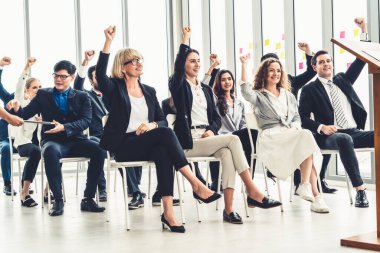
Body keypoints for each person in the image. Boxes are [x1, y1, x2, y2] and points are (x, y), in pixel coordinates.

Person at [96, 25, 220, 233]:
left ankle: (169, 213)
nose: (138, 63)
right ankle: (196, 184)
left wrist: (151, 124)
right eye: (133, 61)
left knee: (163, 152)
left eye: (140, 60)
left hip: (147, 141)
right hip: (124, 146)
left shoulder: (149, 91)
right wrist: (108, 42)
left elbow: (162, 121)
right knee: (165, 135)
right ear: (122, 66)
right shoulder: (114, 88)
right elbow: (100, 74)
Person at [169, 27, 281, 225]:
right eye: (191, 61)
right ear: (183, 64)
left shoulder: (204, 89)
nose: (196, 64)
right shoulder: (178, 85)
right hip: (188, 140)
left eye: (197, 61)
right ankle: (252, 189)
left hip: (207, 137)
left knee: (228, 155)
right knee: (233, 138)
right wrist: (185, 40)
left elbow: (215, 118)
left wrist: (211, 129)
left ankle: (229, 210)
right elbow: (178, 70)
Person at [8, 60, 106, 216]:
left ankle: (88, 198)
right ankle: (57, 201)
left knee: (99, 149)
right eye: (56, 76)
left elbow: (86, 120)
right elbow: (25, 114)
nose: (58, 79)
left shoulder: (82, 96)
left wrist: (65, 127)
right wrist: (17, 107)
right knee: (49, 151)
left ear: (72, 77)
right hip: (53, 141)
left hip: (76, 140)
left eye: (63, 76)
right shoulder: (43, 94)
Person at [240, 54, 329, 213]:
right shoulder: (259, 95)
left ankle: (308, 189)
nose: (276, 74)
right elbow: (246, 92)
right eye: (271, 71)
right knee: (307, 140)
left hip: (290, 134)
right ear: (264, 74)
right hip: (271, 137)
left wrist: (294, 127)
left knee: (306, 141)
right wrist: (244, 66)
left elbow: (296, 117)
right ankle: (312, 192)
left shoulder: (288, 94)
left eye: (278, 71)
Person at [299, 17, 372, 208]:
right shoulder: (309, 89)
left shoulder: (342, 80)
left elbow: (361, 60)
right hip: (330, 136)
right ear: (314, 67)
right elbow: (302, 118)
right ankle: (361, 191)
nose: (326, 64)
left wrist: (363, 30)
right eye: (321, 62)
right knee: (344, 139)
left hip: (354, 131)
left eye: (328, 61)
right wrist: (321, 127)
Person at [73, 50, 109, 202]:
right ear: (91, 80)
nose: (101, 79)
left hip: (114, 134)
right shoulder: (86, 95)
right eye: (96, 76)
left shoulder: (112, 94)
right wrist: (85, 62)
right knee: (97, 148)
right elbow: (77, 86)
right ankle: (102, 189)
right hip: (96, 135)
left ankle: (134, 190)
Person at [13, 57, 42, 207]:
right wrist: (26, 67)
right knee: (36, 151)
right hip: (24, 143)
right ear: (27, 90)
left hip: (40, 143)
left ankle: (47, 191)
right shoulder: (23, 103)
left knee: (55, 151)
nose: (38, 89)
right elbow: (19, 88)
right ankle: (25, 193)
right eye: (34, 87)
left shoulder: (44, 106)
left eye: (40, 87)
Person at [0, 56, 21, 196]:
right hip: (5, 139)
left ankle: (26, 183)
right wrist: (0, 66)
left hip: (23, 140)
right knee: (6, 148)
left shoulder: (34, 103)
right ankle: (7, 184)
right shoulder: (10, 98)